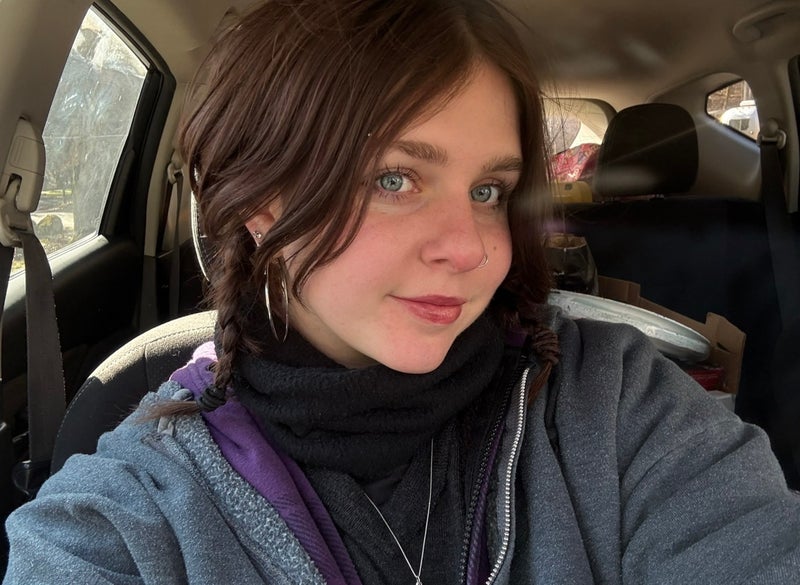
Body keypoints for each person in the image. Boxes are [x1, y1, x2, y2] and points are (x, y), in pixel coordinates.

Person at [4, 0, 800, 583]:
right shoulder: (131, 511)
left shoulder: (620, 402)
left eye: (489, 191)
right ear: (260, 203)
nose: (471, 247)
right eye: (395, 178)